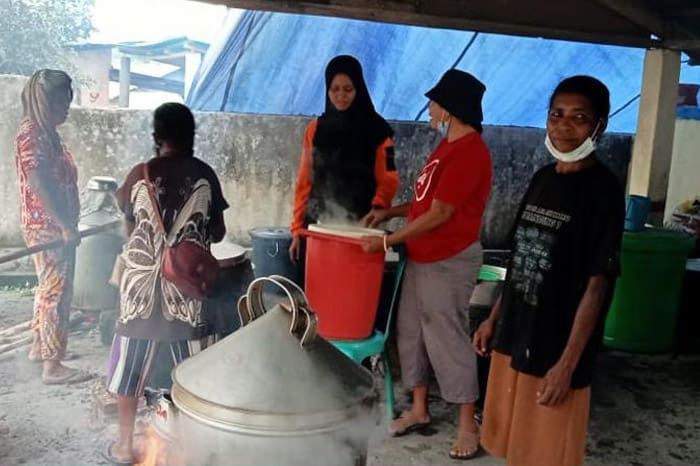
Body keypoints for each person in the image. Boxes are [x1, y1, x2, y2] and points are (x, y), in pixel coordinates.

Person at [473, 76, 625, 466]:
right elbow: (519, 257)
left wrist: (568, 365)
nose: (564, 127)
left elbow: (597, 284)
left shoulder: (603, 191)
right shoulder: (542, 178)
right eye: (557, 115)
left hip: (557, 346)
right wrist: (493, 319)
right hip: (516, 333)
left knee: (548, 452)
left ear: (599, 126)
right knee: (512, 444)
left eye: (579, 117)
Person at [362, 69, 492, 460]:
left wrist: (386, 241)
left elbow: (440, 214)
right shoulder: (447, 145)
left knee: (447, 337)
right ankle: (419, 410)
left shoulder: (470, 151)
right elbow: (423, 205)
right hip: (423, 256)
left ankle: (469, 425)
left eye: (435, 102)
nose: (430, 107)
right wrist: (391, 213)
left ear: (450, 109)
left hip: (449, 259)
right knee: (412, 333)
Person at [104, 103, 228, 465]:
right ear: (191, 135)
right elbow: (217, 234)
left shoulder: (138, 174)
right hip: (187, 291)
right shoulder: (205, 175)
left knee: (129, 370)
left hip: (139, 290)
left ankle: (125, 446)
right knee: (192, 375)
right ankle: (190, 449)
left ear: (157, 137)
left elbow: (129, 231)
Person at [15, 69, 92, 385]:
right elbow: (39, 185)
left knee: (48, 289)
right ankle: (52, 366)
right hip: (49, 228)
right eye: (61, 100)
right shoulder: (32, 135)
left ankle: (40, 347)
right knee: (56, 294)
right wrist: (64, 225)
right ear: (43, 101)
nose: (67, 107)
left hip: (54, 226)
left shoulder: (46, 134)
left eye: (68, 100)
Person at [289, 55, 399, 262]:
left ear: (358, 89)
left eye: (348, 89)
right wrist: (297, 230)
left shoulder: (378, 131)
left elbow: (389, 180)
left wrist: (378, 207)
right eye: (335, 89)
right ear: (327, 90)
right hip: (317, 225)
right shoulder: (315, 129)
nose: (341, 96)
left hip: (360, 227)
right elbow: (304, 181)